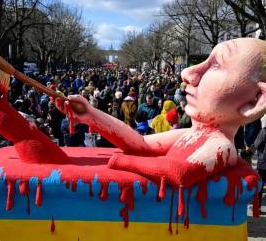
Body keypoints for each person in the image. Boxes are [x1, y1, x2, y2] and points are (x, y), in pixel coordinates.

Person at [55, 38, 266, 187]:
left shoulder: (221, 147)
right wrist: (90, 114)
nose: (187, 73)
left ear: (256, 101)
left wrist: (120, 161)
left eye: (216, 65)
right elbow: (141, 143)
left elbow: (179, 172)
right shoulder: (194, 135)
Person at [254, 124, 266, 214]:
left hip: (263, 162)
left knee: (260, 186)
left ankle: (257, 208)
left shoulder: (264, 131)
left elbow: (257, 144)